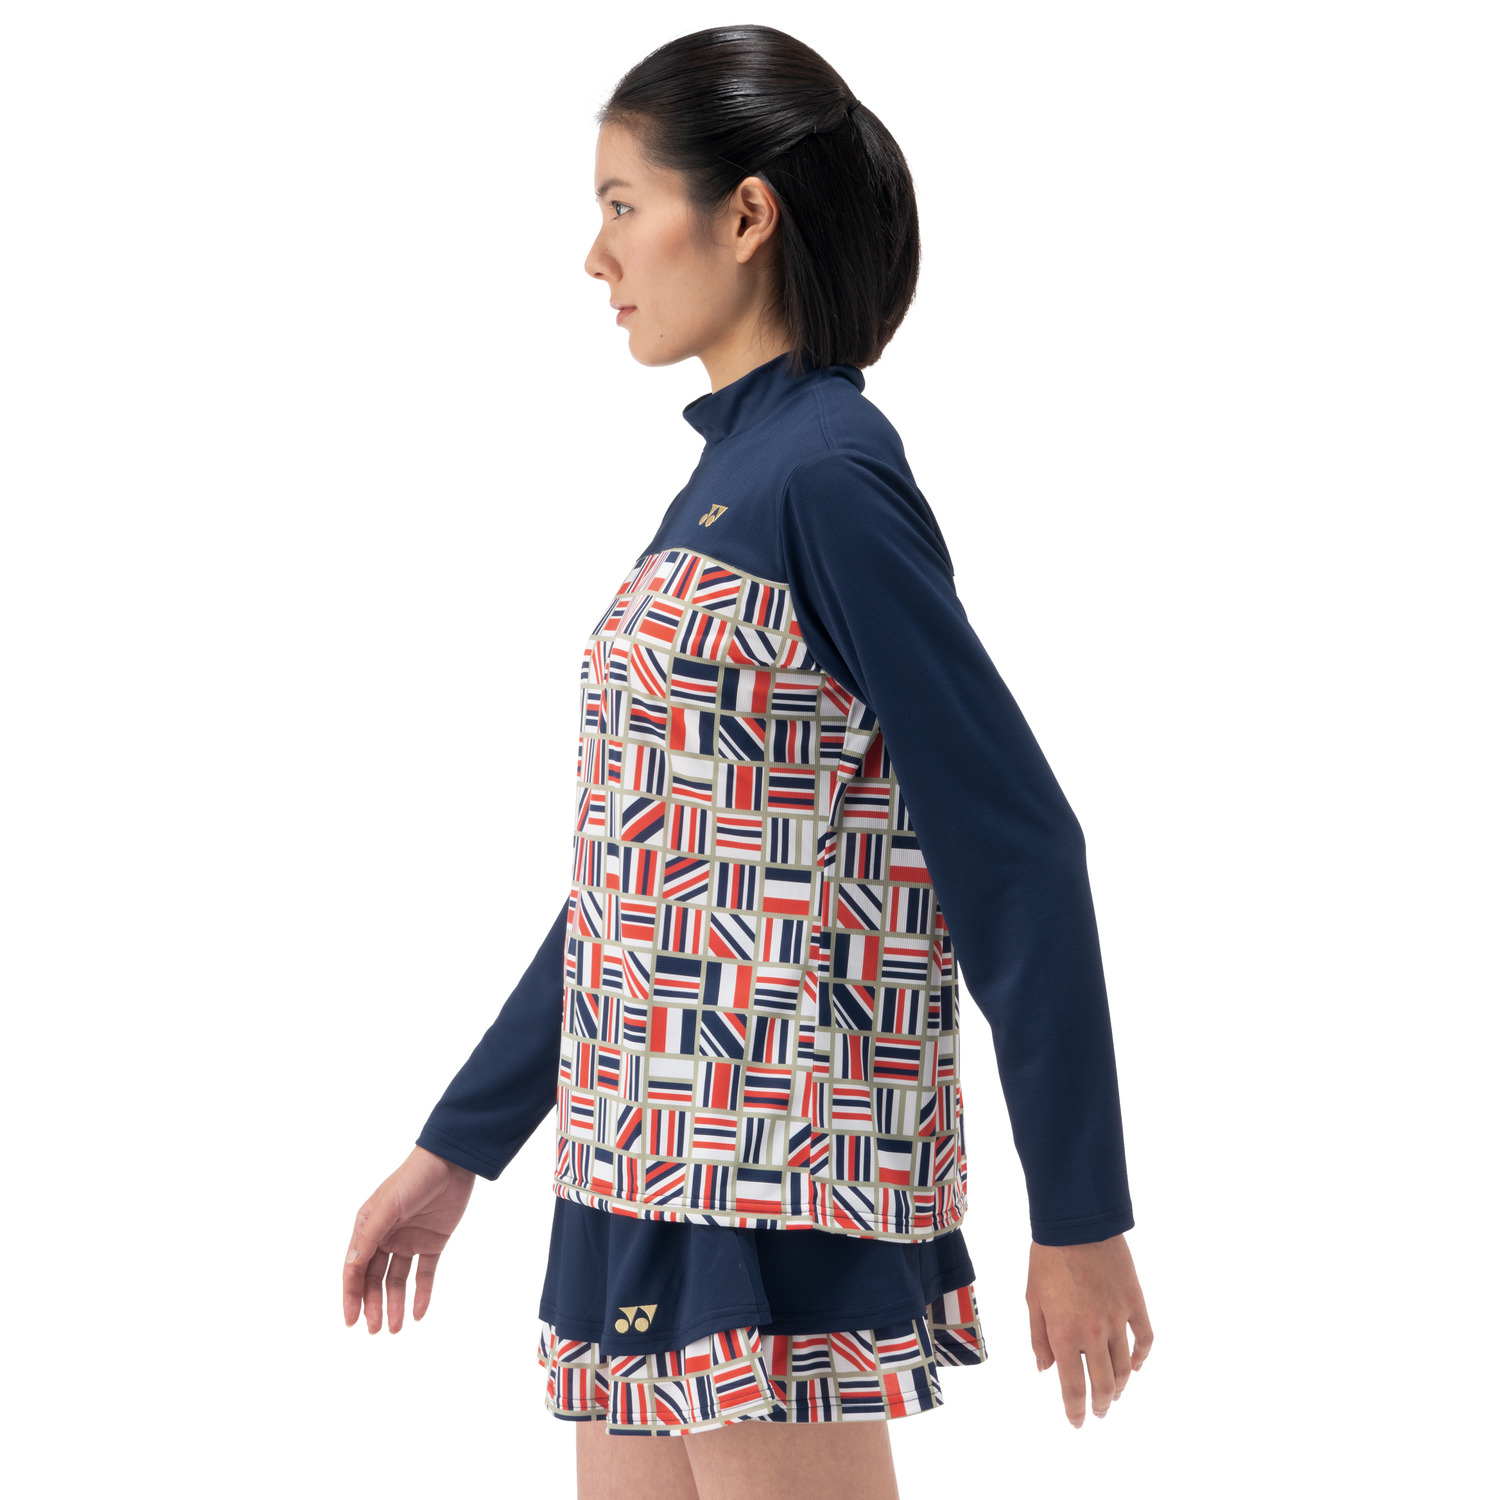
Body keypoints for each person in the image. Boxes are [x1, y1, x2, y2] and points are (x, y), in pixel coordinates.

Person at [342, 24, 1153, 1498]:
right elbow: (642, 880)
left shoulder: (827, 475)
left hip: (770, 1168)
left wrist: (1081, 1214)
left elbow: (1016, 846)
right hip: (632, 1161)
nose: (597, 256)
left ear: (747, 214)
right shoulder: (726, 481)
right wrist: (460, 1144)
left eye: (621, 203)